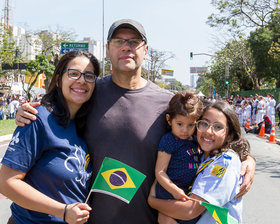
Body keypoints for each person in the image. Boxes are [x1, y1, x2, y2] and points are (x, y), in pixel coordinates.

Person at [15, 19, 256, 224]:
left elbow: (212, 132)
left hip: (148, 218)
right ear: (108, 49)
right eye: (119, 41)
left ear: (146, 51)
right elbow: (54, 117)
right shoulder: (88, 92)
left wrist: (246, 158)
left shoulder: (170, 103)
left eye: (134, 42)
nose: (126, 47)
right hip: (89, 218)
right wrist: (24, 111)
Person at [0, 49, 100, 224]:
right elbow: (7, 183)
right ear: (59, 79)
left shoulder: (86, 125)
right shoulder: (37, 119)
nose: (82, 80)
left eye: (89, 76)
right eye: (74, 73)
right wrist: (63, 211)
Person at [148, 101, 250, 223]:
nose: (208, 131)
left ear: (229, 135)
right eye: (204, 124)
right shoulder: (200, 155)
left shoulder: (225, 162)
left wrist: (152, 201)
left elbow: (190, 211)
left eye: (218, 127)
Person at [154, 92, 202, 224]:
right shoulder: (170, 140)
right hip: (169, 192)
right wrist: (174, 190)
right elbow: (160, 171)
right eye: (179, 124)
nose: (185, 130)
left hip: (185, 191)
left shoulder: (194, 140)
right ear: (169, 120)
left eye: (190, 125)